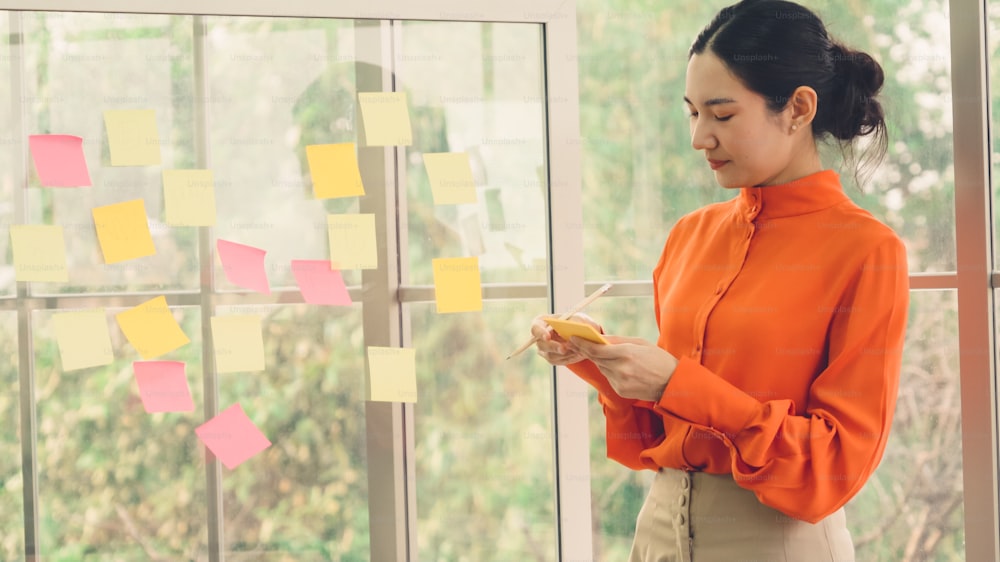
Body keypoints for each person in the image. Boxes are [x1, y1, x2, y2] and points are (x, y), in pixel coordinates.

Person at [530, 0, 909, 560]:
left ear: (799, 108)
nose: (699, 138)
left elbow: (835, 465)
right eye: (691, 114)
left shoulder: (867, 250)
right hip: (657, 531)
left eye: (722, 115)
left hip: (775, 540)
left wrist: (676, 385)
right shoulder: (690, 235)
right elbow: (659, 434)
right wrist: (597, 358)